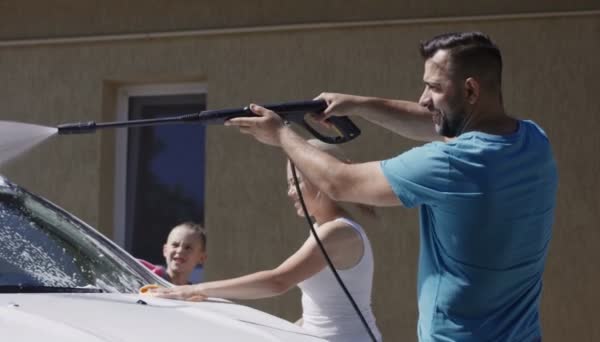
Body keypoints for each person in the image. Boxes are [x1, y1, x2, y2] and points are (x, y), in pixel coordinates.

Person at [223, 31, 558, 341]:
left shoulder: (451, 163)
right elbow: (438, 122)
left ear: (470, 90)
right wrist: (358, 104)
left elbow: (339, 182)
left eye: (434, 87)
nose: (424, 99)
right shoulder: (533, 141)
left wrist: (282, 134)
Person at [148, 140, 382, 342]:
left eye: (295, 182)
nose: (290, 192)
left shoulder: (337, 233)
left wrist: (194, 290)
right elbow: (322, 312)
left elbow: (277, 281)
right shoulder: (324, 230)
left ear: (318, 180)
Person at [140, 222, 208, 285]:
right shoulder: (147, 278)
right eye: (175, 245)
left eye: (188, 248)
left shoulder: (194, 296)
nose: (180, 250)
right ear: (165, 250)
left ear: (201, 258)